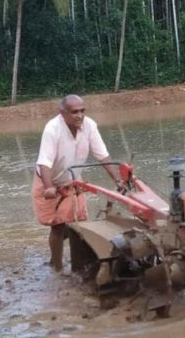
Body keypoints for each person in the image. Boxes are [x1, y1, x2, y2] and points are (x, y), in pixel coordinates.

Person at [32, 94, 121, 272]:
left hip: (73, 179)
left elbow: (102, 155)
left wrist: (117, 179)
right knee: (57, 227)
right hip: (50, 180)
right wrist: (49, 187)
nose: (79, 116)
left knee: (79, 222)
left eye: (82, 111)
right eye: (74, 112)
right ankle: (57, 268)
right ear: (62, 113)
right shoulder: (53, 129)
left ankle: (79, 263)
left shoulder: (89, 126)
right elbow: (44, 163)